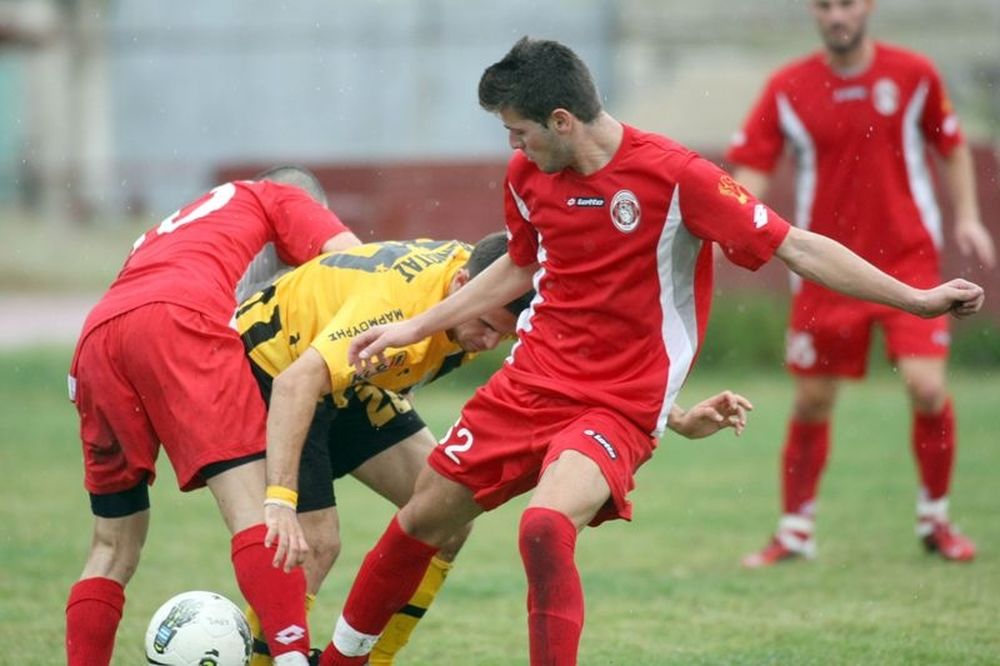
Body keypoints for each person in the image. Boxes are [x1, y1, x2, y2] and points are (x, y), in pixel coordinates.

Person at [270, 37, 982, 666]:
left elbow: (796, 245)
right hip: (531, 382)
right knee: (424, 517)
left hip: (618, 403)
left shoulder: (679, 179)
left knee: (545, 526)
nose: (513, 148)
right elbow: (519, 267)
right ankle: (344, 662)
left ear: (563, 121)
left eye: (519, 132)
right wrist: (414, 326)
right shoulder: (527, 178)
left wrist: (914, 298)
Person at [725, 0, 996, 568]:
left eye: (845, 3)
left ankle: (936, 520)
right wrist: (729, 222)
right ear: (813, 13)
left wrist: (968, 217)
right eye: (824, 6)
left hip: (908, 262)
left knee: (925, 387)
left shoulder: (914, 74)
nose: (836, 16)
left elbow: (951, 145)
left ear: (867, 6)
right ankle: (795, 531)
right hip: (826, 270)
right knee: (813, 401)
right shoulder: (788, 87)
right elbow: (750, 167)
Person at [65, 166, 361, 666]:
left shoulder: (178, 224)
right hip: (180, 321)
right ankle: (289, 660)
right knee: (259, 515)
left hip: (98, 337)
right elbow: (362, 264)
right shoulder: (277, 196)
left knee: (112, 547)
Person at [234, 233, 535, 665]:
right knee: (313, 542)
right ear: (461, 284)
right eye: (485, 326)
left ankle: (373, 661)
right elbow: (295, 383)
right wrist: (280, 502)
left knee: (445, 518)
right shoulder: (398, 307)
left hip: (348, 376)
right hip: (274, 366)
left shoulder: (484, 285)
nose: (488, 344)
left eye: (501, 337)